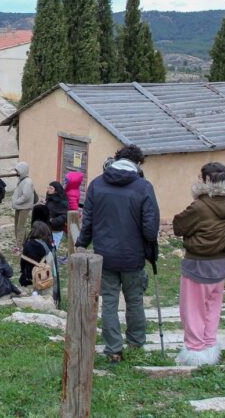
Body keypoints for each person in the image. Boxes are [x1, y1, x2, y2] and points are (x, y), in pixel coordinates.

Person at [76, 144, 160, 363]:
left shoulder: (97, 184)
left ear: (116, 159)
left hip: (105, 254)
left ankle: (113, 349)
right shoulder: (143, 187)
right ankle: (136, 342)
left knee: (109, 302)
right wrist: (150, 248)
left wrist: (82, 243)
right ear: (138, 163)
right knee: (135, 300)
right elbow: (150, 229)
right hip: (133, 255)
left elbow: (88, 220)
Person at [172, 163, 225, 366]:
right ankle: (209, 346)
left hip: (198, 263)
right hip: (220, 262)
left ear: (207, 181)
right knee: (212, 308)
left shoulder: (200, 206)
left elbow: (178, 226)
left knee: (193, 310)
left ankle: (195, 351)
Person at [19, 221, 55, 288]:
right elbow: (51, 262)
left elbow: (22, 263)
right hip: (45, 277)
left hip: (30, 278)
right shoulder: (48, 246)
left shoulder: (28, 245)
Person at [11, 162, 35, 251]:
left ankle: (19, 247)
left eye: (17, 171)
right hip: (19, 206)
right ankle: (24, 243)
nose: (16, 172)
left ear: (22, 171)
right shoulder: (21, 180)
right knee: (17, 225)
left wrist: (17, 202)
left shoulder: (27, 182)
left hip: (24, 207)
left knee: (20, 227)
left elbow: (26, 196)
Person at [45, 181, 69, 253]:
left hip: (56, 230)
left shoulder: (62, 201)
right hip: (47, 229)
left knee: (52, 250)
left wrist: (53, 221)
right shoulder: (49, 198)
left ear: (56, 190)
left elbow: (64, 216)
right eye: (48, 187)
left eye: (51, 188)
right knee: (45, 249)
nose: (48, 189)